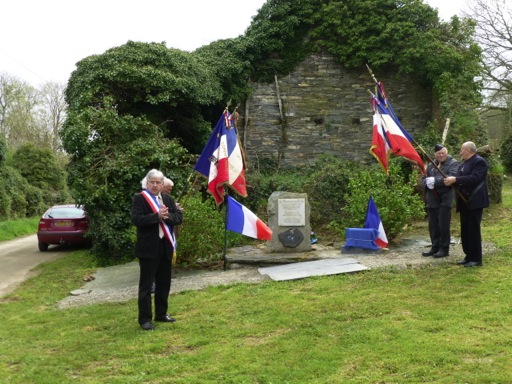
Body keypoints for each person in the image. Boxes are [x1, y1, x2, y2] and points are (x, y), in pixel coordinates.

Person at [131, 169, 183, 330]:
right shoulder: (140, 199)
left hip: (165, 247)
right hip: (148, 249)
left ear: (162, 184)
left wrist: (166, 216)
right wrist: (156, 216)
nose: (155, 185)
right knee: (146, 286)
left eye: (158, 182)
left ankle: (161, 314)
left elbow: (178, 218)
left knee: (164, 283)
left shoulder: (167, 198)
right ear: (147, 183)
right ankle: (145, 319)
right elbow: (137, 219)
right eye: (152, 182)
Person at [444, 142, 489, 267]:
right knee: (465, 230)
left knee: (473, 229)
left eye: (462, 149)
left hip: (475, 200)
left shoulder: (479, 162)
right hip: (464, 201)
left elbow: (475, 178)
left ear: (469, 150)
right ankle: (468, 255)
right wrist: (451, 181)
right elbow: (460, 179)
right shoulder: (463, 163)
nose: (460, 152)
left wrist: (456, 179)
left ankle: (476, 259)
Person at [421, 144, 459, 258]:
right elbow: (424, 178)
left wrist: (436, 181)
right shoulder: (432, 165)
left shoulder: (453, 163)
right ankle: (435, 246)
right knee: (433, 225)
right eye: (439, 154)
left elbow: (451, 177)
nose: (441, 155)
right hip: (432, 199)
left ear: (446, 153)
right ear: (435, 155)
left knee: (443, 225)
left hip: (445, 199)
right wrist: (426, 183)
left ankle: (444, 248)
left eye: (443, 153)